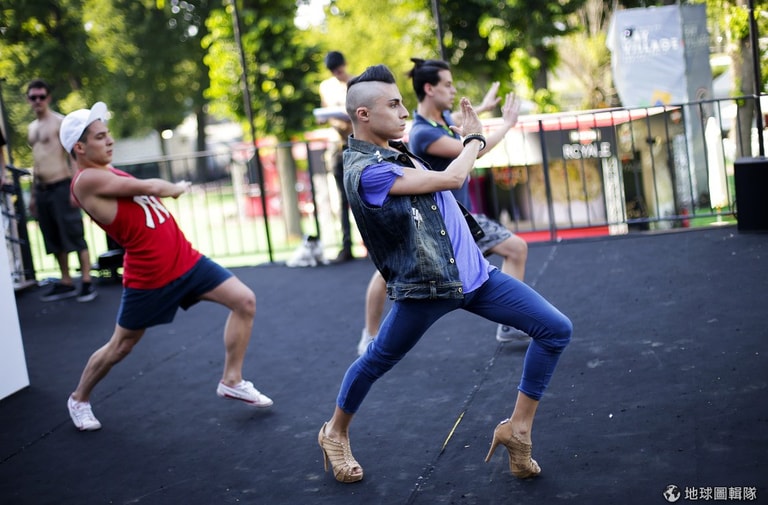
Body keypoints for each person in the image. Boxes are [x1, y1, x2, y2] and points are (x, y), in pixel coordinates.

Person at [317, 65, 572, 483]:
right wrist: (473, 139)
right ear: (363, 115)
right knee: (376, 360)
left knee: (556, 329)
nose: (404, 112)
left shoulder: (394, 150)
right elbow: (452, 177)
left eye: (402, 103)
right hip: (428, 289)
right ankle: (335, 432)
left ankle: (518, 430)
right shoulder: (367, 170)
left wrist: (475, 131)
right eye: (393, 105)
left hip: (476, 277)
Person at [61, 102, 273, 432]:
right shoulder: (86, 180)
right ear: (79, 147)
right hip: (150, 275)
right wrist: (173, 189)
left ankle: (232, 380)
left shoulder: (107, 170)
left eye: (108, 134)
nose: (110, 140)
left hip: (186, 259)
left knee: (244, 301)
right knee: (121, 345)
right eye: (100, 137)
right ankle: (79, 398)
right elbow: (149, 187)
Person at [355, 59, 529, 355]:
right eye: (447, 85)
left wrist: (483, 108)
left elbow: (460, 121)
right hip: (440, 224)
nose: (453, 90)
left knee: (515, 249)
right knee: (387, 275)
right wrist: (506, 125)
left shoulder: (442, 118)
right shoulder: (424, 133)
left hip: (459, 217)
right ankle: (370, 336)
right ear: (429, 89)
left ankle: (509, 324)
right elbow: (475, 150)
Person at [26, 79, 96, 302]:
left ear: (48, 98)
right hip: (42, 189)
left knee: (74, 233)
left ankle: (86, 281)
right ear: (28, 100)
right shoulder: (31, 128)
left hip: (62, 186)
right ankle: (66, 282)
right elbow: (37, 162)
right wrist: (34, 196)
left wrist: (75, 188)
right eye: (33, 97)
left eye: (41, 96)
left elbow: (73, 156)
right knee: (53, 237)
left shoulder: (59, 122)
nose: (38, 101)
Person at [319, 51, 355, 263]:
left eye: (339, 70)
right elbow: (326, 111)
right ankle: (346, 245)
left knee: (364, 196)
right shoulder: (326, 87)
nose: (337, 75)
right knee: (341, 199)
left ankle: (371, 245)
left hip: (355, 142)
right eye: (334, 72)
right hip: (337, 145)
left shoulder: (356, 83)